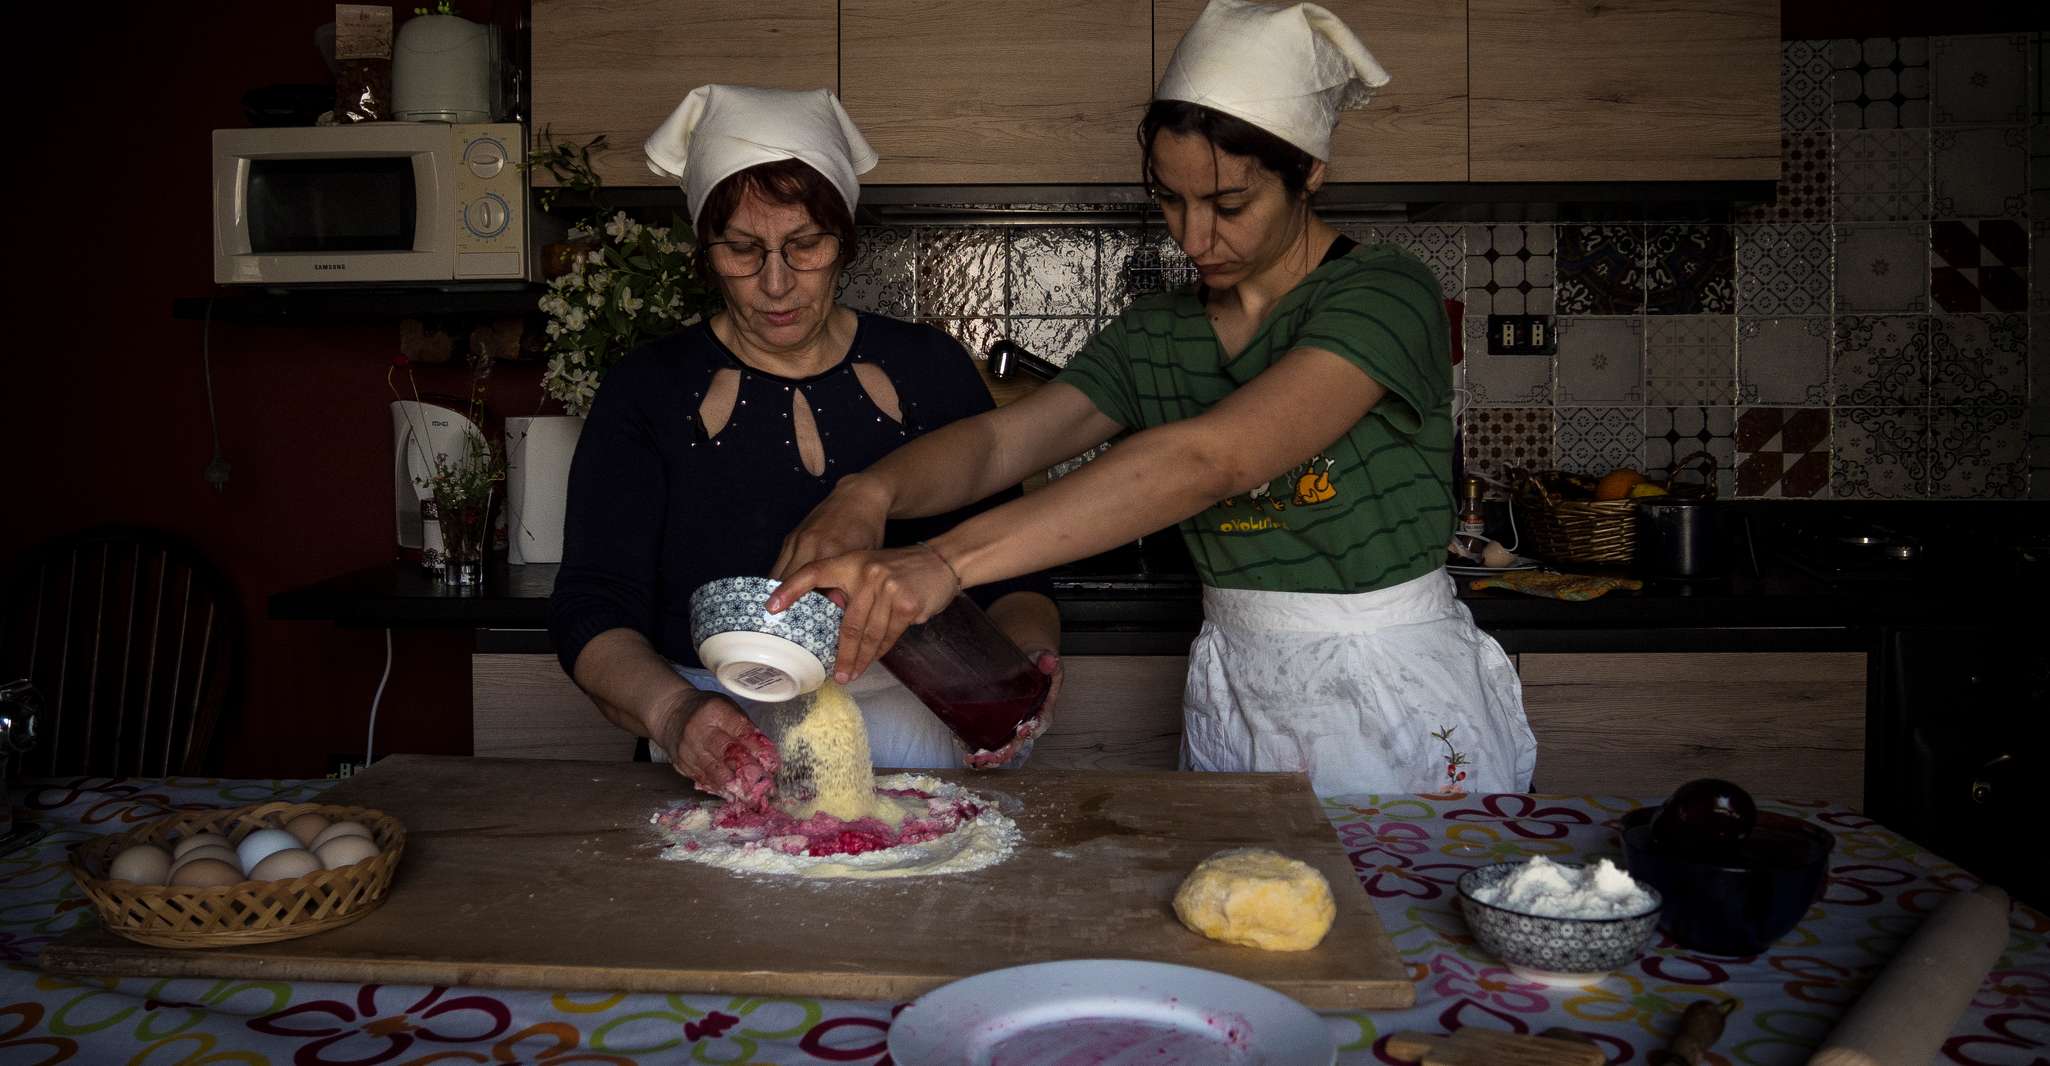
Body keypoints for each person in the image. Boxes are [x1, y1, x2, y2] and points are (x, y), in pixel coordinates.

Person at [769, 1, 1533, 795]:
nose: (1194, 238)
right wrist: (870, 491)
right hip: (1239, 687)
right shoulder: (1158, 335)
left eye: (1229, 205)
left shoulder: (1384, 293)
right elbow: (1004, 444)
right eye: (1171, 200)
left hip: (1392, 685)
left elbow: (1215, 459)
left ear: (1309, 172)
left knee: (1398, 914)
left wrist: (941, 560)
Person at [546, 85, 1062, 798]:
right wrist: (675, 714)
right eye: (742, 250)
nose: (776, 284)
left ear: (844, 240)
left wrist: (1023, 662)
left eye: (805, 246)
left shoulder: (931, 370)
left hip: (925, 745)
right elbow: (593, 609)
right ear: (706, 249)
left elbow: (1016, 580)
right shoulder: (648, 392)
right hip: (720, 757)